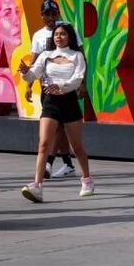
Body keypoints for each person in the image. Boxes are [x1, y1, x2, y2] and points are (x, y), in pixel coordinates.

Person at [19, 22, 94, 202]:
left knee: (76, 147)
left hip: (69, 102)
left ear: (69, 37)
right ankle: (37, 186)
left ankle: (87, 179)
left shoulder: (76, 56)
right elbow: (32, 75)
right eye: (56, 34)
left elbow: (78, 79)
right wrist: (25, 72)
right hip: (50, 103)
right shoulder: (45, 55)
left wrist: (61, 86)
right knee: (43, 144)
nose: (58, 37)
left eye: (62, 34)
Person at [21, 0, 80, 178]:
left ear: (58, 14)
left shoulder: (68, 30)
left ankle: (49, 163)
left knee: (59, 128)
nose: (50, 17)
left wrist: (82, 84)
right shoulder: (39, 36)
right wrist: (29, 84)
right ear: (42, 16)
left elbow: (80, 55)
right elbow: (34, 61)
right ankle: (68, 164)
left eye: (53, 13)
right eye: (47, 14)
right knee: (57, 128)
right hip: (47, 89)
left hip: (66, 88)